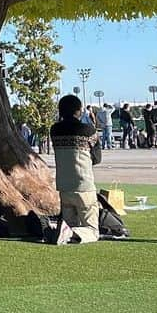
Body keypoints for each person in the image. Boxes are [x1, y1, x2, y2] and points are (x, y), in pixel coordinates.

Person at [49, 94, 102, 235]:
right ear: (78, 110)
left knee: (69, 225)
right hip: (84, 185)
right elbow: (97, 158)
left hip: (64, 186)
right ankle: (73, 235)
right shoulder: (89, 131)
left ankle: (66, 234)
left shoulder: (55, 130)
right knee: (92, 230)